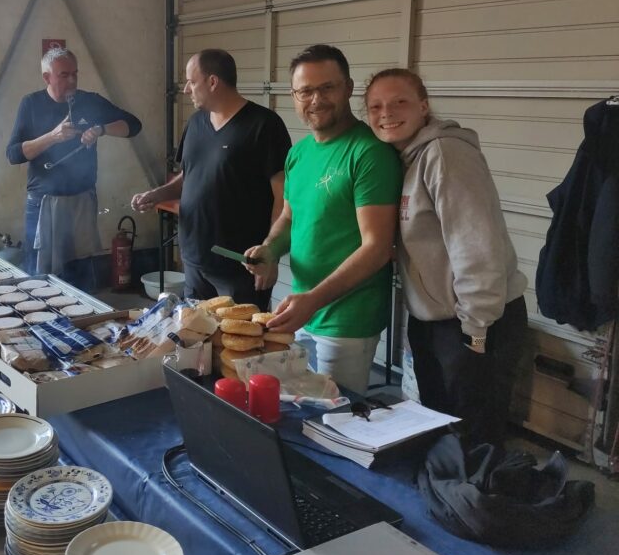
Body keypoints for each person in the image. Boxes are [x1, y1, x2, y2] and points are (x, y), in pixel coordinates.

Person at [364, 68, 527, 444]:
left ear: (423, 106)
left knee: (472, 437)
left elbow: (476, 245)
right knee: (441, 430)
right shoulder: (405, 160)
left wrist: (476, 335)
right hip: (437, 323)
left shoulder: (445, 153)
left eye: (400, 102)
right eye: (376, 106)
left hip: (474, 323)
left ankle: (477, 484)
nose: (387, 113)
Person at [246, 44, 402, 394]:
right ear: (294, 96)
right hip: (301, 309)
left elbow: (377, 247)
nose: (316, 100)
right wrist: (269, 249)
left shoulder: (369, 153)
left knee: (335, 415)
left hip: (347, 321)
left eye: (327, 88)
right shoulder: (298, 153)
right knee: (300, 407)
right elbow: (290, 217)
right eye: (305, 91)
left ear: (348, 88)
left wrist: (313, 300)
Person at [131, 49, 291, 307]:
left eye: (191, 82)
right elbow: (190, 176)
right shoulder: (196, 123)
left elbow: (282, 198)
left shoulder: (264, 125)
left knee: (240, 331)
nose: (186, 89)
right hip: (195, 260)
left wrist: (270, 253)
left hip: (240, 266)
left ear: (213, 82)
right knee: (196, 330)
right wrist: (157, 194)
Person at [6, 47, 142, 284]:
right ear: (47, 77)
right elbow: (13, 154)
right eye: (64, 75)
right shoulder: (31, 104)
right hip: (43, 202)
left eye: (75, 74)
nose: (72, 80)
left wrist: (101, 129)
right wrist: (52, 136)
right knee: (40, 277)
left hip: (82, 201)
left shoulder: (90, 101)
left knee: (82, 274)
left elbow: (134, 125)